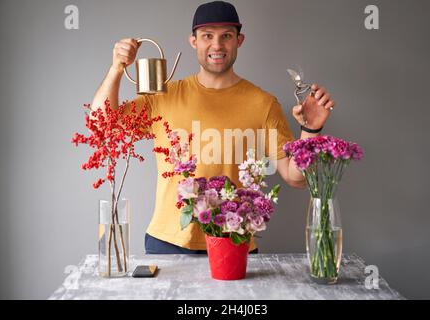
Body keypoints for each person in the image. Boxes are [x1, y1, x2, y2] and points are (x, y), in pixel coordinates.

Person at [90, 1, 335, 254]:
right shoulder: (164, 96)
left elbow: (295, 178)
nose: (217, 45)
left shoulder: (264, 104)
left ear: (239, 41)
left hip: (234, 240)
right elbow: (102, 126)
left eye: (226, 36)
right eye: (207, 35)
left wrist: (312, 130)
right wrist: (116, 68)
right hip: (169, 242)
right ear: (193, 41)